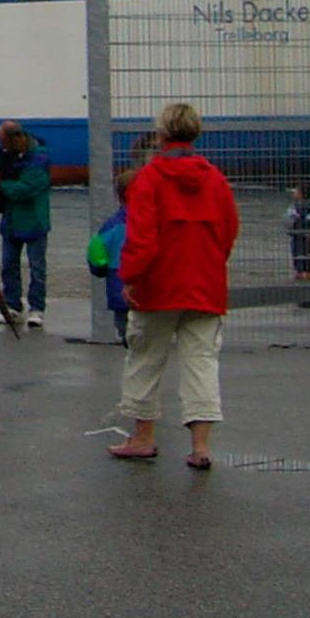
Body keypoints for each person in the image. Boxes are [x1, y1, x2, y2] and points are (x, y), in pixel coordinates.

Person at [109, 102, 239, 470]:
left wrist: (131, 278)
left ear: (161, 134)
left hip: (159, 285)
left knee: (145, 358)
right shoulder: (215, 178)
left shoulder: (148, 179)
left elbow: (142, 238)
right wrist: (212, 264)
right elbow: (228, 229)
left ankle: (143, 437)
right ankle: (201, 446)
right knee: (201, 362)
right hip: (205, 284)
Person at [0, 121, 54, 328]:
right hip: (11, 219)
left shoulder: (39, 157)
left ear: (16, 139)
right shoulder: (3, 148)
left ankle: (37, 308)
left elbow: (25, 189)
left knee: (37, 267)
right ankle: (12, 305)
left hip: (34, 219)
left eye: (3, 142)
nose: (1, 147)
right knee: (8, 265)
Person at [85, 170, 133, 343]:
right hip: (151, 294)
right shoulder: (155, 221)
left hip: (118, 287)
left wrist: (100, 268)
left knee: (126, 332)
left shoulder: (112, 225)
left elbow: (95, 252)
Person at [286, 185, 310, 282]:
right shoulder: (295, 205)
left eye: (296, 191)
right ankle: (301, 271)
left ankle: (305, 272)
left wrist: (302, 220)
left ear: (301, 194)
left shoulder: (309, 205)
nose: (294, 193)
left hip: (303, 233)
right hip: (297, 233)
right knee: (298, 252)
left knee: (303, 252)